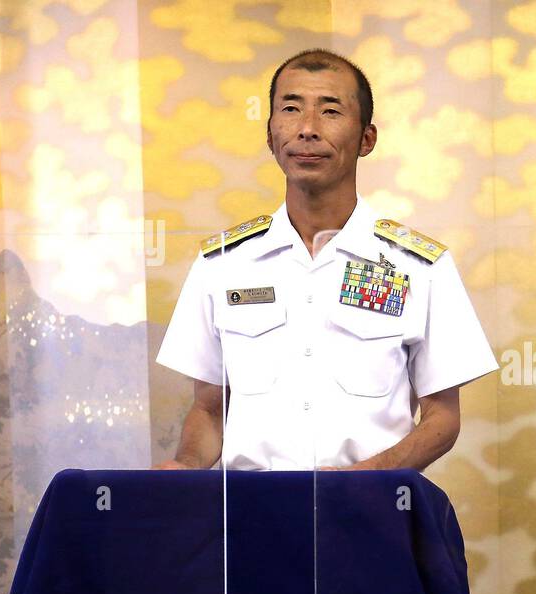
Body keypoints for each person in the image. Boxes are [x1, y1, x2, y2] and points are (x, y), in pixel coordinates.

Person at [154, 49, 497, 471]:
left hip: (369, 517)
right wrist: (186, 467)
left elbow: (443, 418)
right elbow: (209, 410)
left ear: (366, 138)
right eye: (291, 109)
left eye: (330, 111)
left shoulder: (420, 267)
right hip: (251, 518)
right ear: (270, 136)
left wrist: (362, 480)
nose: (307, 130)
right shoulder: (222, 264)